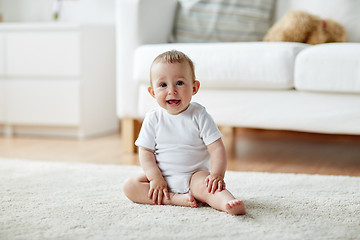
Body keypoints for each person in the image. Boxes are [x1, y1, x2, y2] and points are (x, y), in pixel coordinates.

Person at [123, 50, 246, 215]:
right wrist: (155, 178)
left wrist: (217, 175)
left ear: (194, 87)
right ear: (153, 92)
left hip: (193, 176)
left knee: (208, 186)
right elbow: (145, 151)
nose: (172, 90)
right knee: (130, 186)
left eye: (179, 83)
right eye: (163, 85)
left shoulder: (199, 115)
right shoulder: (153, 118)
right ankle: (173, 199)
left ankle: (227, 203)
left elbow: (216, 148)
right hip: (162, 177)